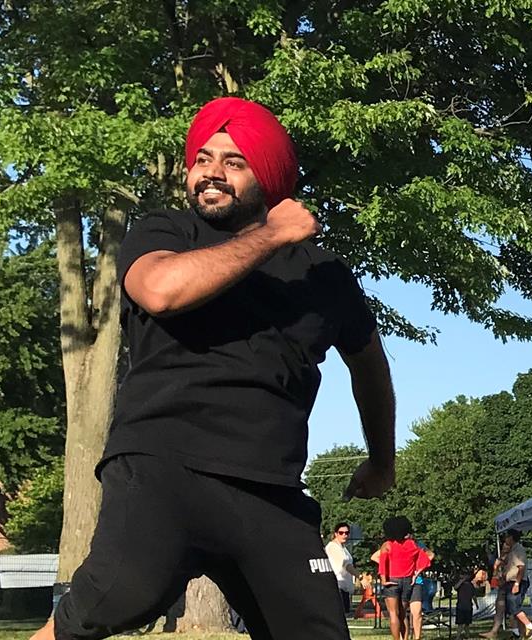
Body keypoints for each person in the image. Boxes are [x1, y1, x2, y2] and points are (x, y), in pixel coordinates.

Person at [35, 97, 397, 640]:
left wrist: (381, 459)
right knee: (108, 602)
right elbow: (159, 291)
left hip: (271, 489)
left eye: (234, 162)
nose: (211, 171)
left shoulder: (323, 275)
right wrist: (272, 234)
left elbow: (370, 367)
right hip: (163, 467)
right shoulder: (166, 232)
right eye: (202, 158)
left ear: (269, 176)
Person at [373, 517, 433, 640]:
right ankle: (409, 637)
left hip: (392, 580)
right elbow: (427, 558)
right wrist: (417, 572)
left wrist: (384, 578)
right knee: (404, 614)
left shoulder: (387, 545)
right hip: (409, 579)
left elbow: (382, 563)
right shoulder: (413, 544)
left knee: (394, 614)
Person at [487, 531, 532, 640]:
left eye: (507, 537)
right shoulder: (511, 550)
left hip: (516, 581)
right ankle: (518, 634)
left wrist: (517, 584)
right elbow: (503, 566)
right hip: (509, 582)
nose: (505, 539)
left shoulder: (518, 550)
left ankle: (530, 626)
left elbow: (521, 568)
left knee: (514, 607)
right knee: (511, 609)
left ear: (512, 537)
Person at [326, 523, 359, 617]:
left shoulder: (343, 547)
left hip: (345, 587)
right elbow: (345, 565)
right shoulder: (332, 547)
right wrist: (360, 577)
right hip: (337, 586)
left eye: (347, 533)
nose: (344, 535)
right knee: (339, 616)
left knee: (345, 616)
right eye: (341, 533)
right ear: (336, 533)